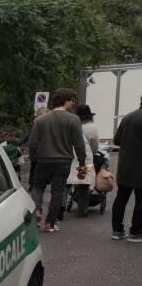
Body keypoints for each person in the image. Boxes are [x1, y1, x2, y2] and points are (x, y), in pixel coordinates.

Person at [28, 88, 87, 233]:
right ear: (65, 100)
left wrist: (34, 157)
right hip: (63, 161)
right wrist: (82, 162)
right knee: (57, 191)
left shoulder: (40, 120)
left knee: (37, 187)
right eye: (72, 100)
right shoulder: (73, 119)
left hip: (43, 160)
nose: (73, 103)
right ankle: (50, 223)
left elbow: (32, 142)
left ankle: (36, 210)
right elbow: (79, 144)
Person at [111, 96, 142, 242]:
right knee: (140, 201)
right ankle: (135, 232)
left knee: (121, 199)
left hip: (125, 166)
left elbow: (117, 140)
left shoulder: (128, 117)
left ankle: (117, 230)